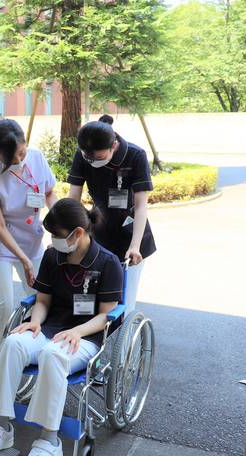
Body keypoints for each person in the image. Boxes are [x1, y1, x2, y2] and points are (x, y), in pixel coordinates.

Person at [0, 198, 123, 456]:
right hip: (49, 328)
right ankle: (0, 426)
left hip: (84, 338)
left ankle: (50, 442)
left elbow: (105, 316)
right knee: (13, 343)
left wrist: (77, 331)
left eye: (57, 234)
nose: (52, 240)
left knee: (53, 354)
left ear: (78, 233)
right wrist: (35, 322)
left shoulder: (108, 263)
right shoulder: (53, 256)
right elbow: (42, 300)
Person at [0, 119, 58, 404]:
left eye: (22, 152)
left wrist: (62, 222)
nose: (20, 160)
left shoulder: (37, 157)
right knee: (3, 305)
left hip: (32, 240)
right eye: (13, 157)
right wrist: (24, 260)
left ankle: (36, 360)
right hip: (0, 245)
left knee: (42, 301)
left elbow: (49, 193)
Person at [67, 114, 155, 312]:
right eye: (88, 158)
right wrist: (67, 234)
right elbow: (73, 199)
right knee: (89, 294)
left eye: (99, 158)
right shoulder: (83, 154)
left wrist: (135, 246)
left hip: (130, 234)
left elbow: (141, 206)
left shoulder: (135, 155)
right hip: (98, 231)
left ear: (114, 146)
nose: (92, 162)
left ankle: (120, 331)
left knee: (123, 301)